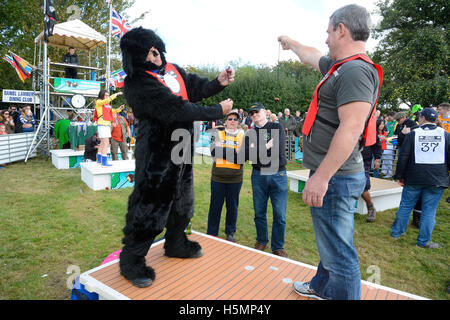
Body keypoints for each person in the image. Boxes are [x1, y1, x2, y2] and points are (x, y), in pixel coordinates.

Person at [278, 4, 383, 300]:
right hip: (334, 175)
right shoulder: (342, 68)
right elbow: (313, 56)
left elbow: (350, 129)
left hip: (334, 177)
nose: (325, 39)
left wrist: (321, 177)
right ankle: (321, 287)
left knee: (339, 255)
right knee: (332, 244)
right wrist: (291, 44)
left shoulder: (354, 71)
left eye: (328, 32)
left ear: (341, 30)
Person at [118, 27, 234, 288]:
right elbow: (176, 109)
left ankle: (176, 241)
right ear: (139, 55)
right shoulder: (138, 83)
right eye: (147, 51)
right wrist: (218, 110)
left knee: (183, 201)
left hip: (181, 150)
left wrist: (218, 82)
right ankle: (132, 259)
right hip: (156, 155)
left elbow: (194, 87)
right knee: (151, 205)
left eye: (154, 48)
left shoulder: (173, 69)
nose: (154, 54)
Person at [215, 103, 289, 257]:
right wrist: (266, 146)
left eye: (257, 112)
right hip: (258, 175)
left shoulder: (277, 128)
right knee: (259, 212)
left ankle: (278, 246)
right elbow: (246, 156)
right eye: (252, 113)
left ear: (264, 112)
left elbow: (278, 151)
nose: (254, 115)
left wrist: (258, 149)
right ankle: (261, 240)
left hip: (278, 175)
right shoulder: (250, 133)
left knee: (279, 214)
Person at [391, 108, 449, 249]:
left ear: (422, 118)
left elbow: (403, 157)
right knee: (429, 211)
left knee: (406, 205)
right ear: (436, 119)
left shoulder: (413, 134)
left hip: (414, 177)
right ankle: (423, 241)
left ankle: (397, 233)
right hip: (437, 179)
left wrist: (399, 176)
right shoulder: (446, 135)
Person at [207, 109, 245, 242]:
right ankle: (212, 232)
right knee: (215, 206)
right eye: (230, 119)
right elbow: (213, 152)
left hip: (235, 178)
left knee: (232, 206)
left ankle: (230, 232)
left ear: (238, 121)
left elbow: (242, 158)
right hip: (218, 177)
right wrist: (233, 153)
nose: (233, 121)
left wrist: (222, 150)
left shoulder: (243, 135)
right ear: (225, 121)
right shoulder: (217, 133)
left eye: (235, 119)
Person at [92, 90, 124, 166]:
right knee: (106, 142)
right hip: (102, 124)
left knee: (103, 142)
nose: (107, 96)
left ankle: (99, 160)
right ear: (102, 95)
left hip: (106, 124)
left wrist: (119, 109)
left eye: (108, 95)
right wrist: (116, 94)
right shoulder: (99, 101)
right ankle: (104, 161)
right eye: (106, 95)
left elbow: (112, 111)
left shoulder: (106, 104)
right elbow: (107, 100)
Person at [361, 122, 382, 222]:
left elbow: (377, 145)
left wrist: (377, 159)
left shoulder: (370, 127)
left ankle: (370, 208)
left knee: (363, 186)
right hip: (348, 159)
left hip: (364, 160)